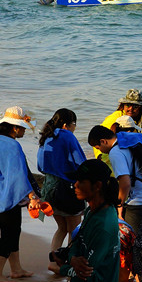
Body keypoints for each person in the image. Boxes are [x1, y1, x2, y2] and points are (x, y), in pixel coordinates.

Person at [0, 106, 41, 282]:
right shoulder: (13, 145)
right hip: (6, 195)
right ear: (15, 128)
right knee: (9, 233)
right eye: (22, 128)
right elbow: (18, 176)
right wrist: (32, 197)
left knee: (13, 229)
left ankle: (16, 269)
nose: (24, 131)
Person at [37, 109, 88, 271]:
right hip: (67, 189)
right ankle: (67, 264)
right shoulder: (67, 136)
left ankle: (53, 261)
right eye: (74, 125)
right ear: (67, 125)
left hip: (49, 189)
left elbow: (40, 165)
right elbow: (80, 162)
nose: (74, 128)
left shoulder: (46, 136)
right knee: (74, 231)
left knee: (62, 228)